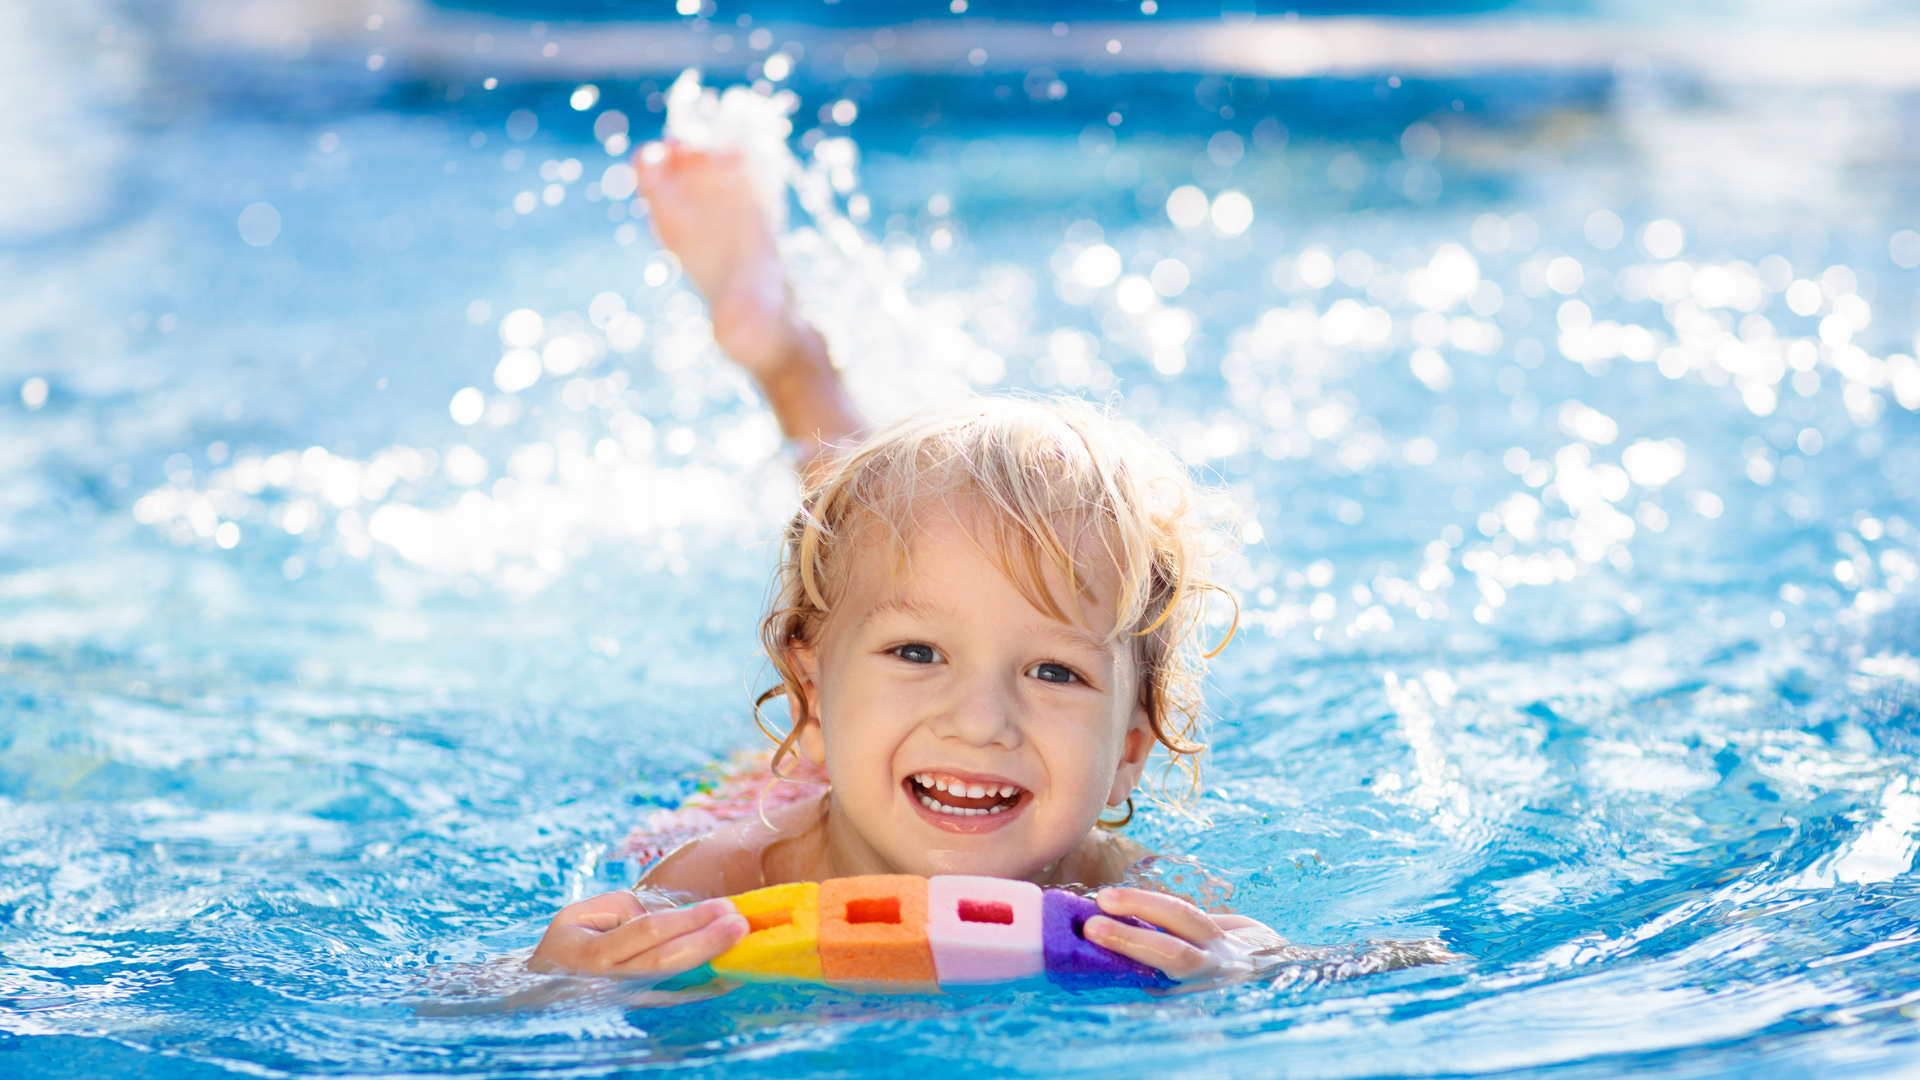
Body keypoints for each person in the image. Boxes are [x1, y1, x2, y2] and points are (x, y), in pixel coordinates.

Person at [525, 142, 1286, 991]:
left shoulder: (1128, 892)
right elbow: (464, 1015)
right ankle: (785, 352)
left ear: (1130, 750)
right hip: (787, 785)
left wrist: (1251, 966)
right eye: (919, 654)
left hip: (876, 744)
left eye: (1054, 670)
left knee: (887, 567)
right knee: (859, 546)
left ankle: (788, 355)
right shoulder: (727, 878)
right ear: (807, 700)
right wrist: (560, 978)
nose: (980, 721)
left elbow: (1389, 967)